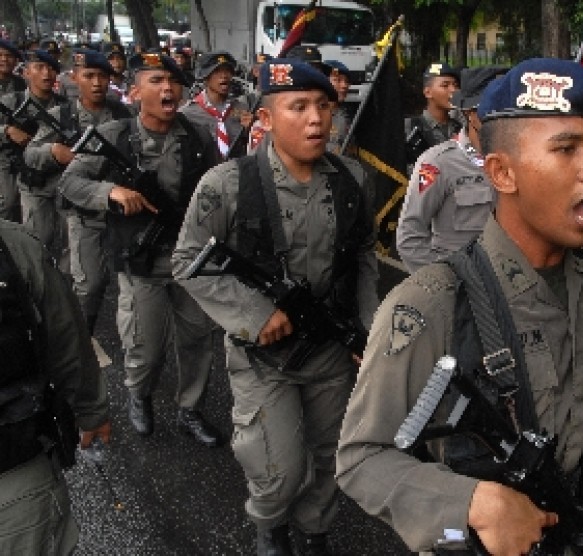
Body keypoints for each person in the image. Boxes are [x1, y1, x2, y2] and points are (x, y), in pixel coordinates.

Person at [336, 57, 583, 555]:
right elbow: (362, 458)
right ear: (502, 172)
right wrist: (470, 503)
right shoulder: (432, 302)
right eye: (566, 149)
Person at [173, 58, 379, 556]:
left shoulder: (353, 181)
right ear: (264, 119)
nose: (316, 119)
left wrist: (368, 330)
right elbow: (186, 260)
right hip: (263, 358)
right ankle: (270, 527)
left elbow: (365, 256)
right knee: (279, 468)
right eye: (299, 107)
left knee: (328, 455)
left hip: (330, 351)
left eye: (324, 106)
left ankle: (315, 532)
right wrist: (254, 313)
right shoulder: (227, 184)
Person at [59, 52, 223, 446]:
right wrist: (110, 191)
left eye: (172, 81)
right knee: (145, 347)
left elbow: (219, 190)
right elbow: (70, 182)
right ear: (134, 92)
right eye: (155, 81)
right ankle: (139, 394)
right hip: (139, 262)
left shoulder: (198, 136)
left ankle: (190, 408)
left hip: (191, 260)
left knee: (197, 341)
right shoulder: (115, 136)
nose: (167, 88)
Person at [0, 218, 111, 555]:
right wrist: (91, 411)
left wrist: (92, 411)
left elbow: (65, 338)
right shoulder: (13, 245)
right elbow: (66, 341)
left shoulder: (15, 247)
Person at [24, 49, 132, 335]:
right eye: (89, 76)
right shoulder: (62, 115)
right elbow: (30, 154)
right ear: (74, 78)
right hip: (81, 208)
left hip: (120, 207)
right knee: (91, 283)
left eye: (103, 76)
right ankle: (78, 339)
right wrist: (53, 151)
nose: (97, 82)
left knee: (129, 280)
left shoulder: (123, 113)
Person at [396, 66, 505, 273]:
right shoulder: (438, 163)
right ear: (470, 114)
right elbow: (410, 238)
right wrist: (447, 282)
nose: (499, 117)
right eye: (489, 110)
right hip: (461, 285)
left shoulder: (516, 160)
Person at [5, 49, 68, 251]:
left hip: (51, 176)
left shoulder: (64, 107)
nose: (46, 74)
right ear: (26, 72)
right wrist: (6, 130)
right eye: (39, 67)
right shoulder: (11, 102)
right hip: (11, 167)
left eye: (51, 68)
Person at [179, 51, 253, 161]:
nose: (224, 76)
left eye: (228, 71)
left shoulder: (242, 108)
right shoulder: (187, 114)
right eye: (217, 71)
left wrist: (251, 130)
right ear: (205, 77)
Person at [404, 62, 462, 165]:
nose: (453, 90)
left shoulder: (461, 129)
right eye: (445, 85)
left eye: (455, 85)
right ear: (428, 92)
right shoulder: (409, 128)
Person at [0, 39, 25, 221]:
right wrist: (6, 130)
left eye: (9, 56)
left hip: (20, 152)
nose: (4, 59)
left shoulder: (22, 85)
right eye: (0, 55)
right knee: (7, 204)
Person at [324, 59, 351, 153]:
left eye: (346, 81)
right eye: (338, 80)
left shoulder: (348, 116)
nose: (344, 85)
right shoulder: (315, 115)